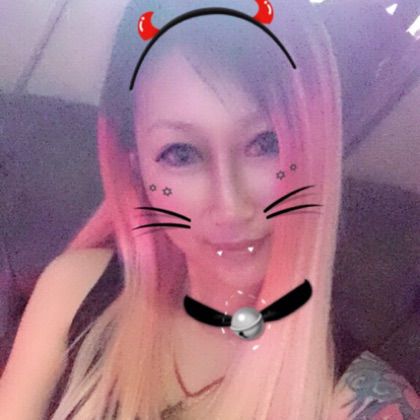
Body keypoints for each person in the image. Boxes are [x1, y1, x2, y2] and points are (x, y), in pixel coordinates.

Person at [0, 0, 419, 419]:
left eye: (266, 143)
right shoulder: (73, 292)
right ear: (136, 167)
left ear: (317, 148)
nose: (230, 206)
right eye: (181, 153)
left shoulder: (369, 405)